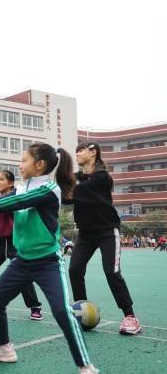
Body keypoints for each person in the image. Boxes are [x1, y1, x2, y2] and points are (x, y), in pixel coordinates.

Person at [0, 142, 99, 374]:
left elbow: (19, 201)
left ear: (39, 165)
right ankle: (3, 348)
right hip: (22, 260)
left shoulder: (50, 189)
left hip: (48, 261)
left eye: (24, 160)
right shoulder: (20, 187)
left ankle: (87, 368)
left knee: (62, 311)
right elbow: (5, 198)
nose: (20, 164)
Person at [69, 142, 141, 335]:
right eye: (75, 152)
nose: (77, 154)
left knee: (112, 272)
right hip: (85, 233)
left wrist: (65, 186)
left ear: (93, 152)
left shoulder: (102, 178)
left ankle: (130, 316)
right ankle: (80, 312)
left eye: (81, 150)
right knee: (75, 269)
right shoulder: (78, 178)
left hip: (107, 231)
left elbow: (72, 194)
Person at [0, 170, 43, 320]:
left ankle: (34, 306)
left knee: (22, 275)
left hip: (16, 241)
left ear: (11, 183)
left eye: (1, 179)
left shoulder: (17, 196)